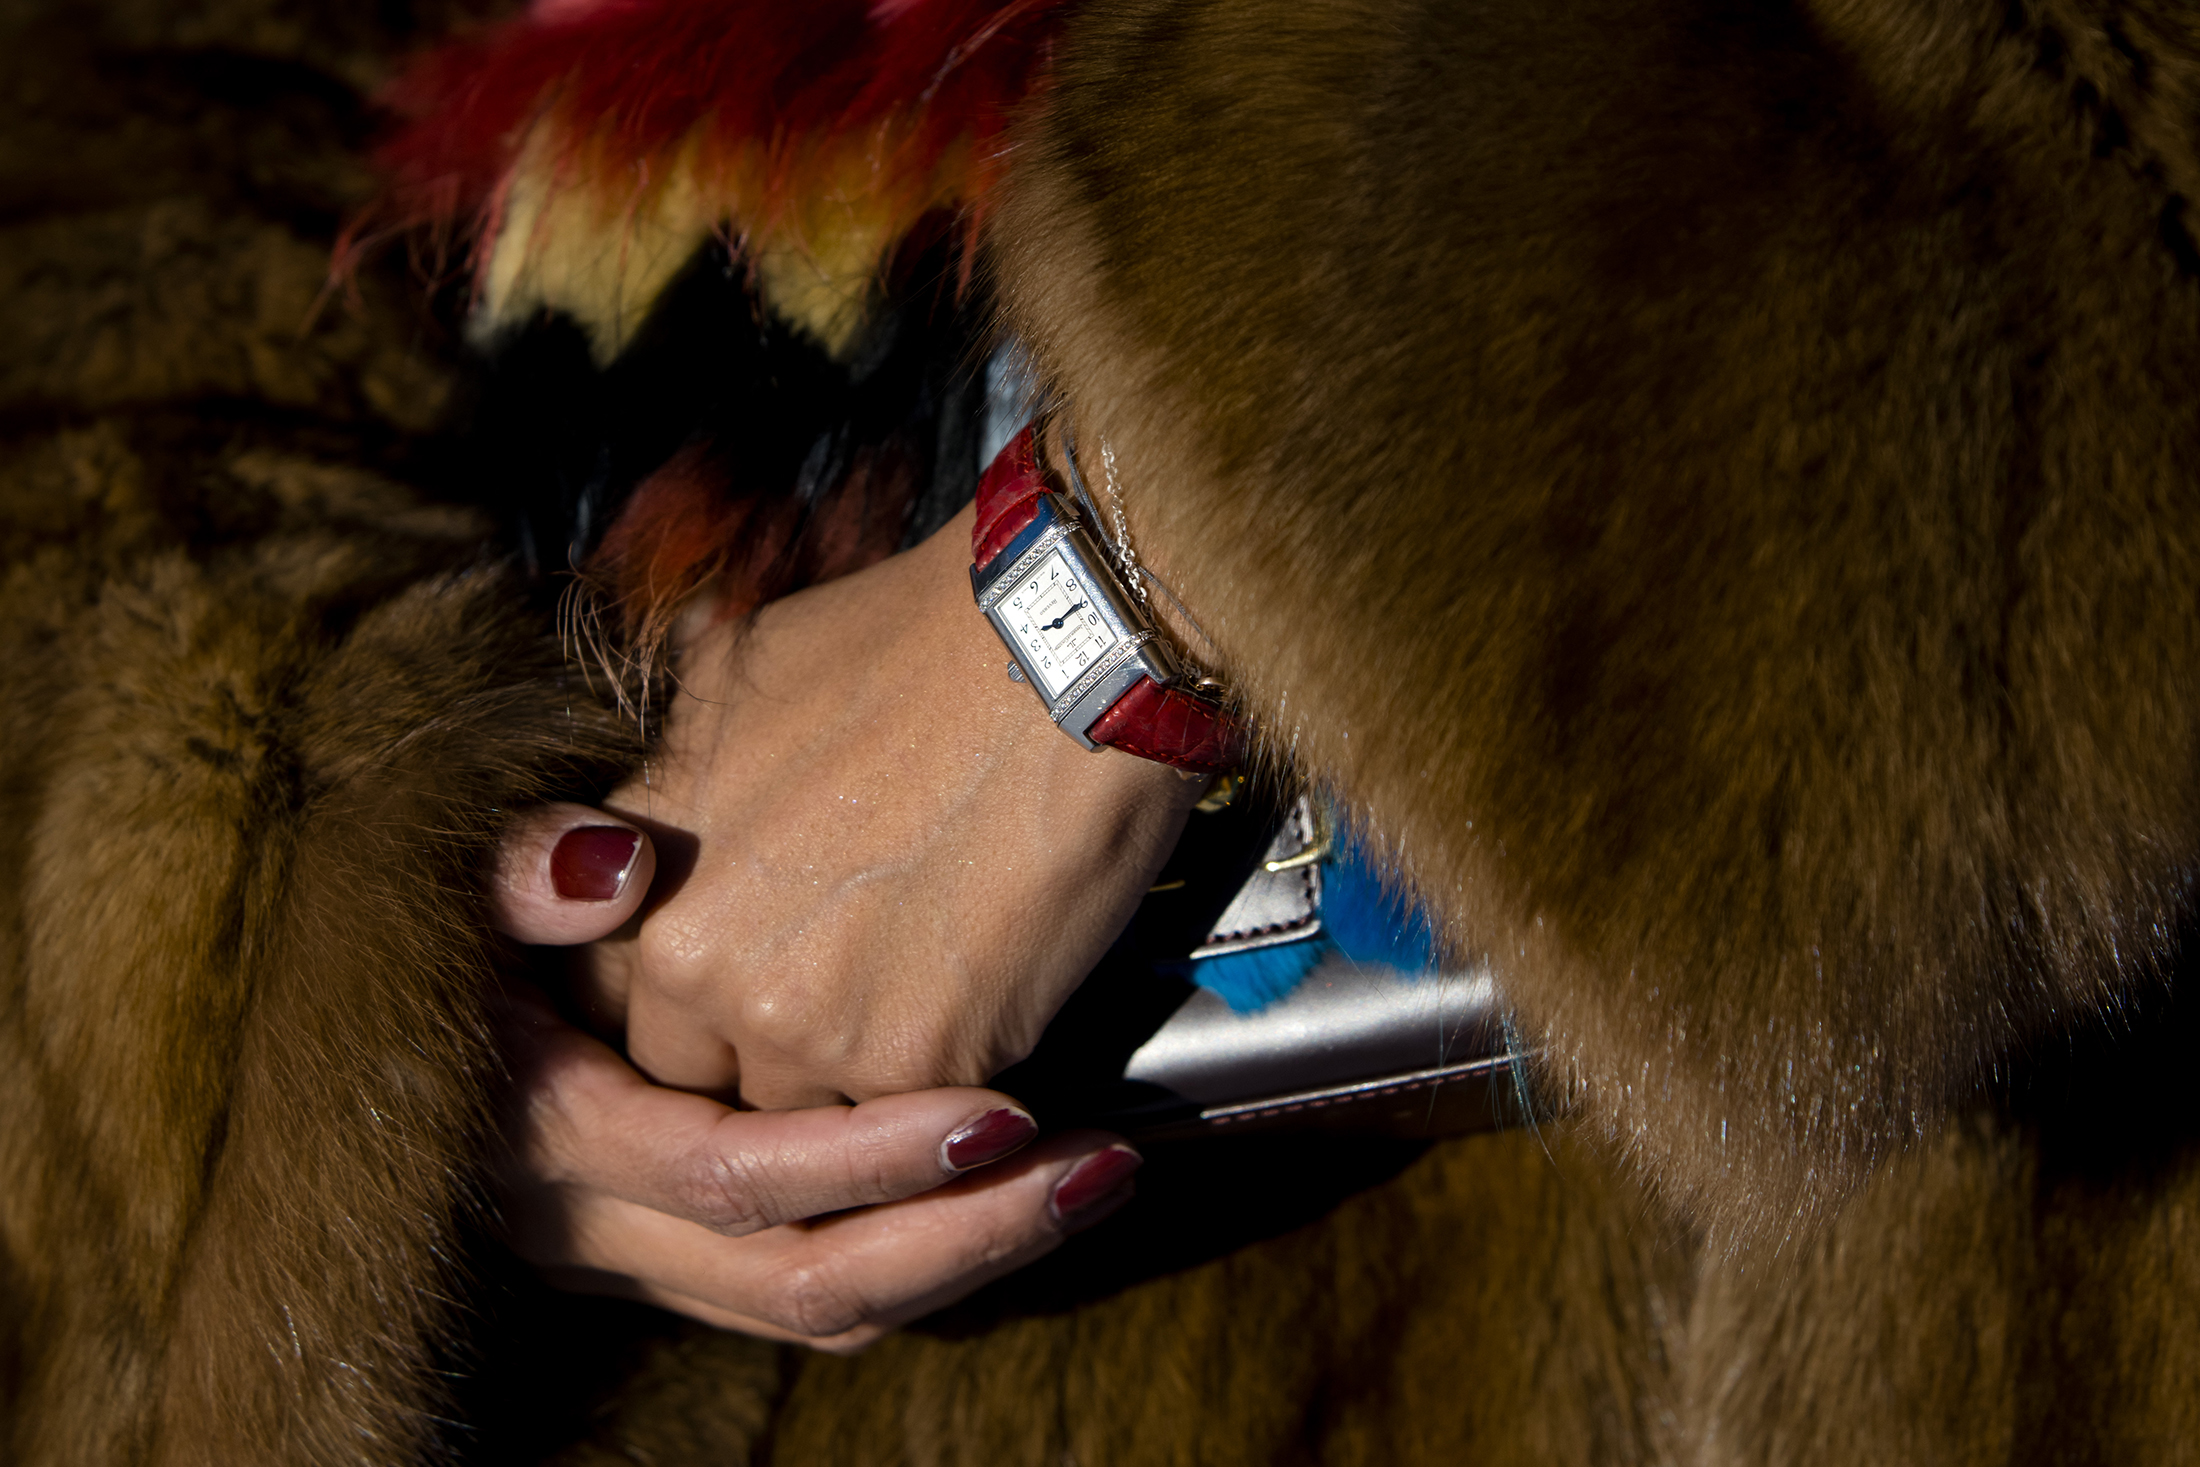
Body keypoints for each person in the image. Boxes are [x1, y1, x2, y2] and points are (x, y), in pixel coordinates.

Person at [10, 0, 2200, 1463]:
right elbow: (133, 140)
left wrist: (1108, 592)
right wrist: (359, 928)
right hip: (748, 1235)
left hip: (1986, 1193)